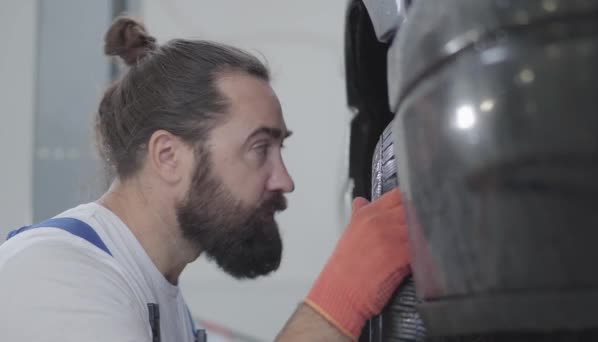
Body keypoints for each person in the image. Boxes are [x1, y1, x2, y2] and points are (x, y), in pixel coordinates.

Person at [0, 17, 410, 342]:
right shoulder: (57, 279)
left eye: (279, 148)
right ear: (168, 156)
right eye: (259, 148)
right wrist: (343, 296)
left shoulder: (162, 298)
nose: (284, 181)